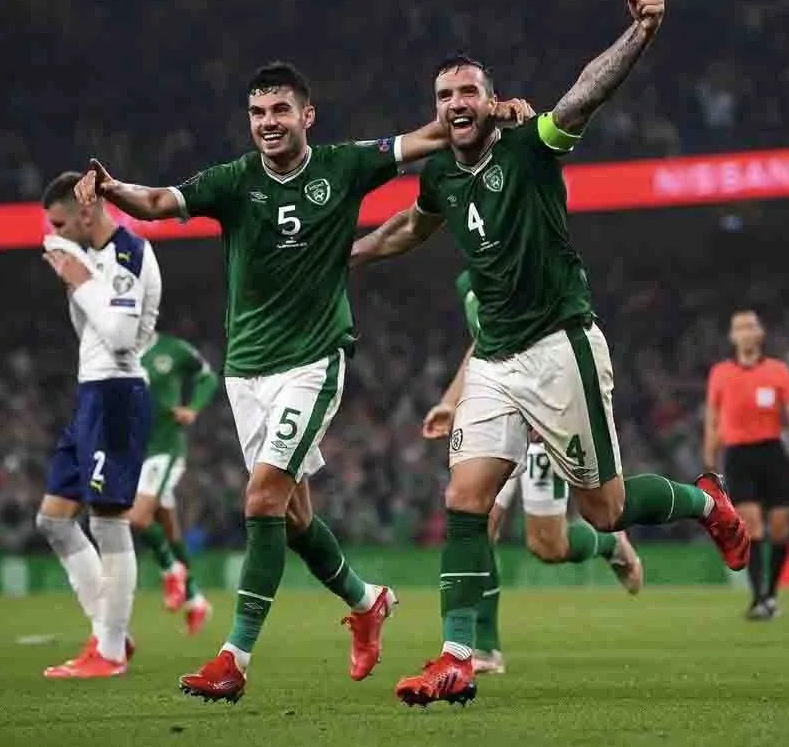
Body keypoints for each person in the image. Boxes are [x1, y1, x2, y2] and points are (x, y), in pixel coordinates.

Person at [73, 60, 532, 703]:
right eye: (259, 113)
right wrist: (114, 188)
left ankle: (233, 659)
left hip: (313, 362)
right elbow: (156, 203)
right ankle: (367, 602)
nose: (268, 124)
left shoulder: (344, 166)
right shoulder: (233, 181)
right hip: (245, 372)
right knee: (291, 518)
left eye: (281, 111)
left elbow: (427, 135)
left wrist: (492, 111)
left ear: (306, 116)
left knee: (261, 500)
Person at [351, 0, 750, 707]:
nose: (456, 103)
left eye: (469, 90)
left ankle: (704, 500)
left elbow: (582, 96)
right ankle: (456, 657)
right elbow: (412, 228)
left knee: (603, 510)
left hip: (560, 348)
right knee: (465, 499)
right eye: (445, 94)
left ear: (490, 99)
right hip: (495, 361)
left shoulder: (529, 151)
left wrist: (640, 34)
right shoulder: (440, 173)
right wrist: (348, 254)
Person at [422, 271, 643, 675]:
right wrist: (450, 401)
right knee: (477, 519)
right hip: (501, 412)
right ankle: (484, 648)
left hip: (546, 415)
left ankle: (609, 544)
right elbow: (481, 344)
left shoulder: (538, 259)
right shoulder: (467, 281)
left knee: (547, 546)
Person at [37, 170, 161, 678]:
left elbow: (119, 334)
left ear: (86, 212)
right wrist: (80, 271)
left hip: (116, 393)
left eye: (61, 222)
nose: (55, 234)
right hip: (91, 392)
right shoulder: (89, 256)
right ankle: (111, 633)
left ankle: (108, 653)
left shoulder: (127, 254)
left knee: (108, 521)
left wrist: (80, 279)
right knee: (53, 520)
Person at [704, 310, 789, 620]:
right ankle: (758, 598)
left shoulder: (778, 371)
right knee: (752, 526)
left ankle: (772, 593)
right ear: (733, 337)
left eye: (751, 327)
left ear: (760, 334)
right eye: (740, 328)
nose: (746, 332)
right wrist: (710, 455)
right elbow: (713, 418)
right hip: (738, 455)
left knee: (780, 528)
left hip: (773, 452)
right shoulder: (720, 373)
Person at [130, 331, 219, 635]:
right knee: (169, 531)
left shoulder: (173, 349)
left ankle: (173, 571)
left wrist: (193, 408)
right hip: (137, 451)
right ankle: (195, 600)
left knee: (138, 518)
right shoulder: (116, 352)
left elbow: (208, 376)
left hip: (165, 448)